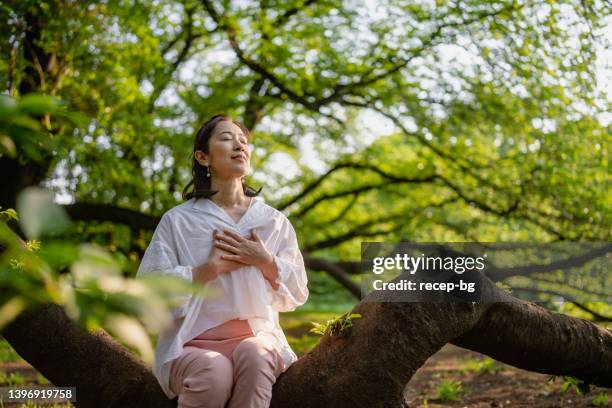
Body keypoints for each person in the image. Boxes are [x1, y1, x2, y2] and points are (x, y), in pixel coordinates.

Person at [136, 114, 309, 408]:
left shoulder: (272, 222)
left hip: (257, 336)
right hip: (191, 345)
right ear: (203, 157)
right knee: (212, 371)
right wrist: (206, 270)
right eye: (227, 138)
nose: (239, 145)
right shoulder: (178, 220)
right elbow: (148, 291)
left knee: (256, 356)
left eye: (243, 140)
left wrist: (265, 260)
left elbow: (298, 291)